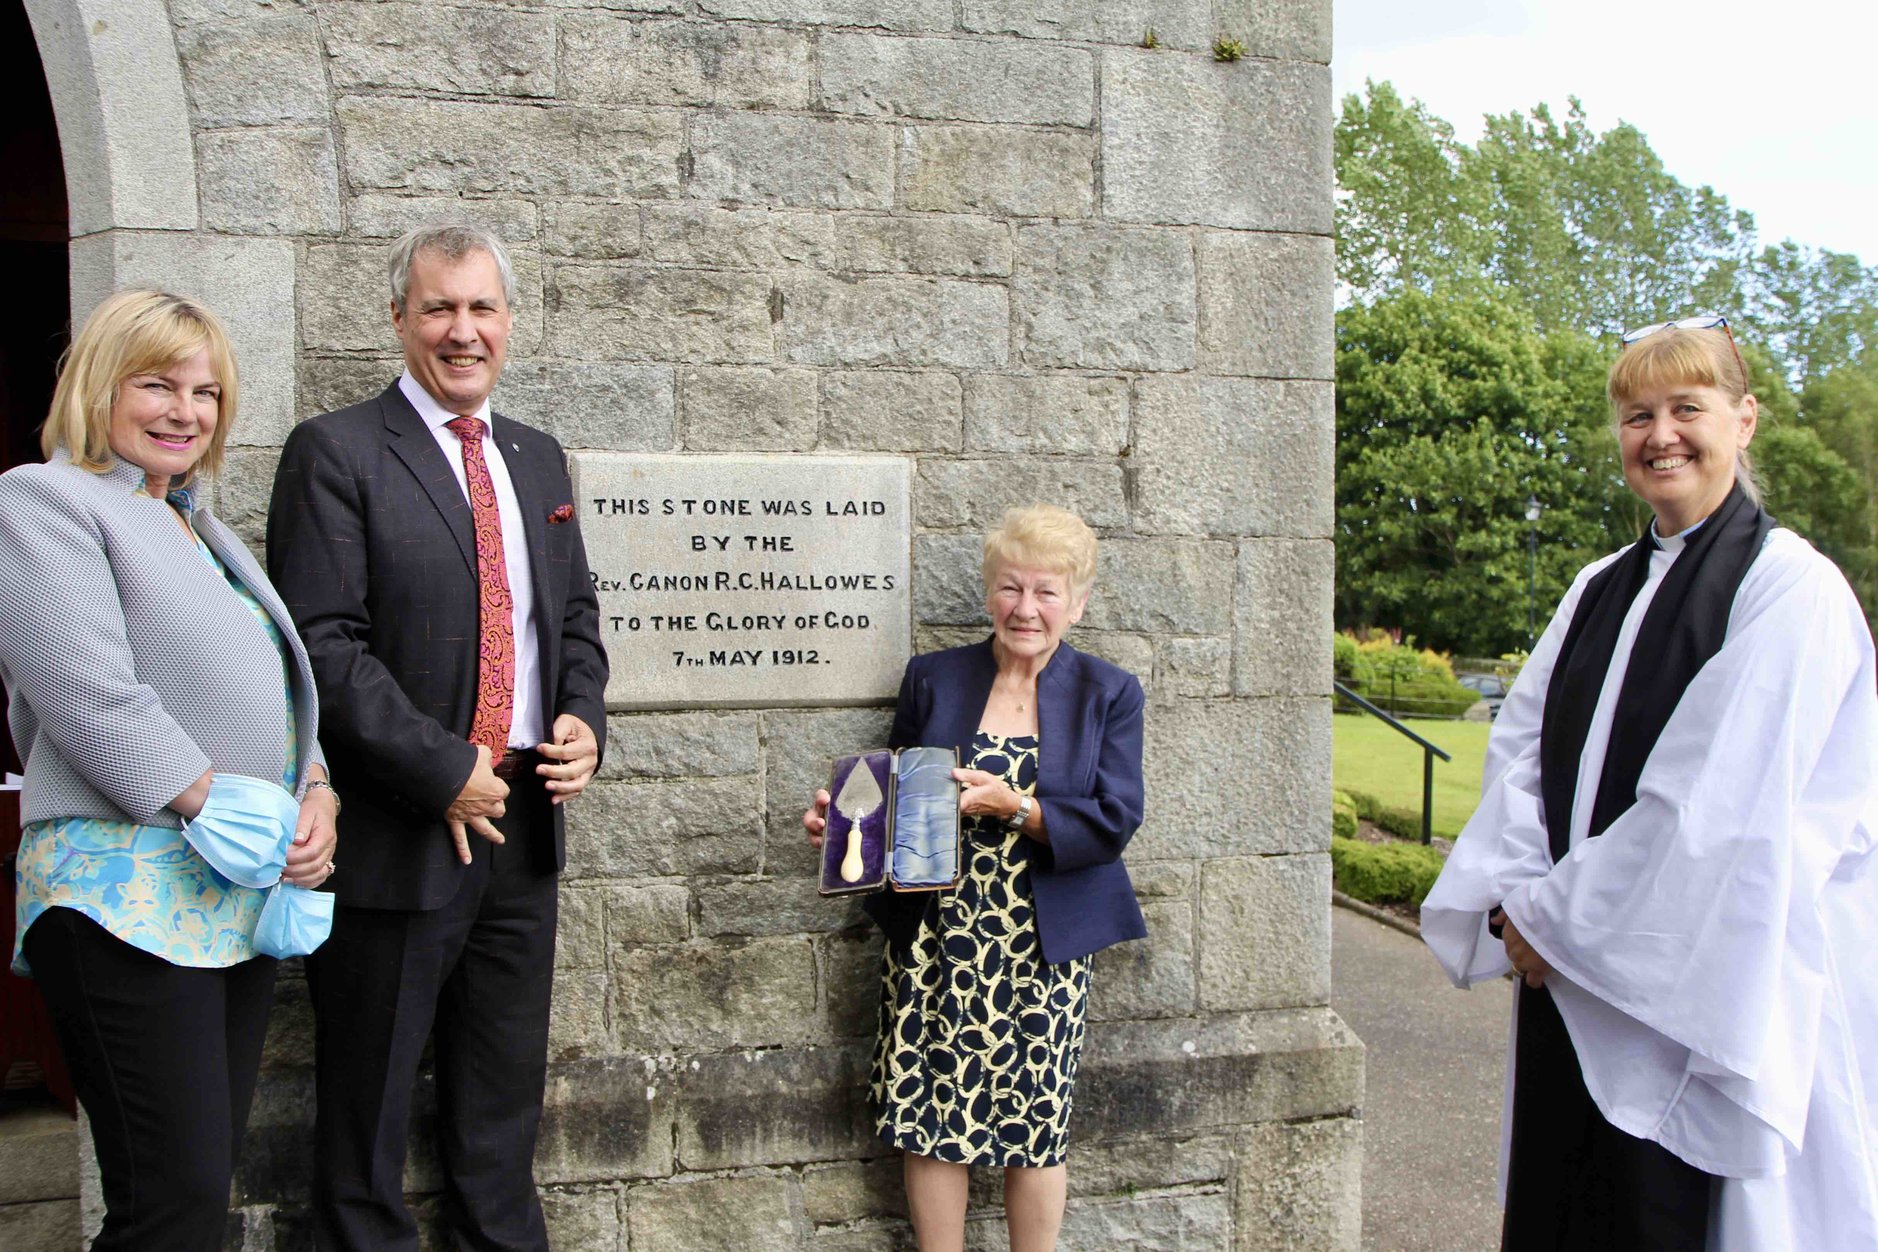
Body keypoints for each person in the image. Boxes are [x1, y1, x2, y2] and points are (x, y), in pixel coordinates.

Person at [1421, 315, 1878, 1251]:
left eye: (1687, 408)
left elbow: (1719, 806)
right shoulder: (1597, 585)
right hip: (1567, 968)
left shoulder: (1791, 587)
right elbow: (1523, 755)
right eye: (1637, 415)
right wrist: (1516, 904)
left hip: (1696, 982)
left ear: (1743, 421)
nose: (1660, 434)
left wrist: (1554, 924)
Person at [267, 223, 609, 1251]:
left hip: (523, 825)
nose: (464, 331)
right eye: (440, 309)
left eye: (482, 308)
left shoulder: (536, 455)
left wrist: (583, 721)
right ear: (400, 320)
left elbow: (576, 620)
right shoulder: (335, 453)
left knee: (501, 1113)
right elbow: (323, 649)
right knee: (367, 1126)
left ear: (509, 321)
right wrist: (442, 768)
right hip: (398, 833)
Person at [0, 289, 337, 1250]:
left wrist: (315, 795)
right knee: (171, 1206)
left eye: (206, 392)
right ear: (99, 385)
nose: (185, 411)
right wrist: (210, 800)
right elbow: (85, 691)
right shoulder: (44, 500)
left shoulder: (200, 525)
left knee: (193, 1199)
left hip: (223, 892)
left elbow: (276, 693)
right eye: (156, 384)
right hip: (121, 890)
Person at [804, 504, 1147, 1252]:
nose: (1026, 609)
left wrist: (1018, 806)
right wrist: (844, 824)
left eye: (1047, 592)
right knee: (931, 1116)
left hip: (1042, 944)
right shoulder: (934, 677)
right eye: (1011, 588)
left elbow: (1117, 817)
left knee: (1037, 1120)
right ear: (990, 593)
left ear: (1077, 603)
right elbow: (896, 792)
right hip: (935, 936)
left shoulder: (1109, 693)